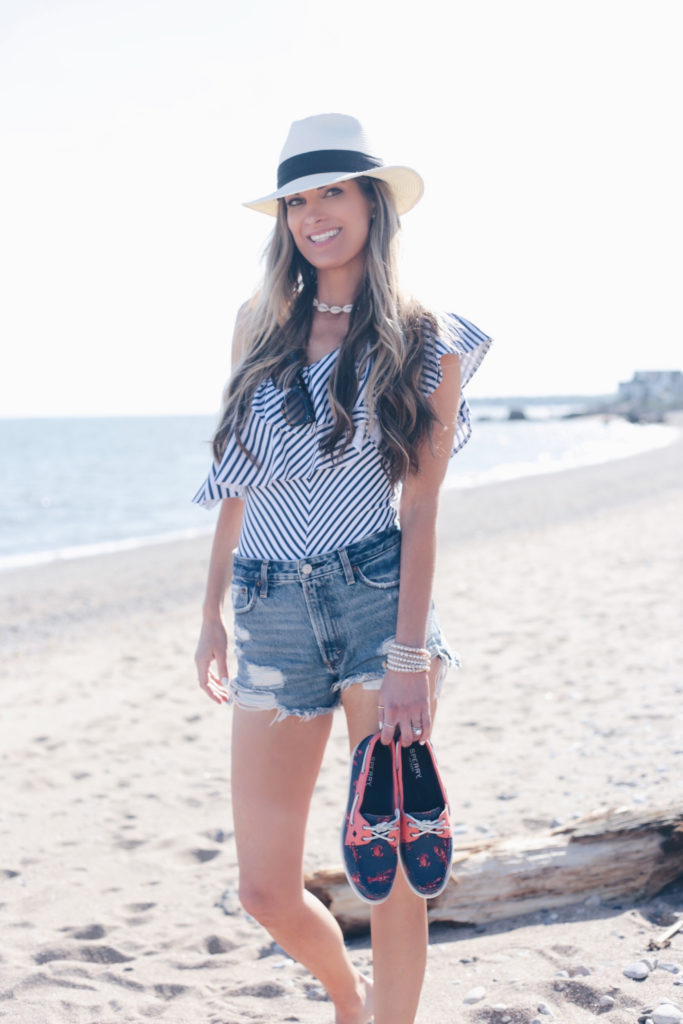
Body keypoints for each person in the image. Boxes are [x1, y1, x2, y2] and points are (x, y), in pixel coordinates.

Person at [193, 113, 491, 1024]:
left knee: (393, 872)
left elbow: (421, 507)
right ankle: (347, 999)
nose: (313, 215)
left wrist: (408, 659)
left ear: (371, 203)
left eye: (332, 193)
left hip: (375, 600)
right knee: (265, 892)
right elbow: (241, 480)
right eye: (296, 201)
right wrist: (210, 611)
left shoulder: (426, 337)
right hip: (271, 607)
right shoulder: (259, 324)